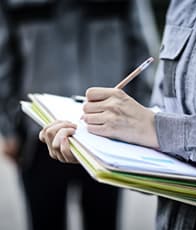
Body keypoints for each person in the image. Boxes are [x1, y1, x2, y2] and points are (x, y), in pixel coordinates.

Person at [39, 0, 196, 229]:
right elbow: (161, 116)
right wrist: (95, 150)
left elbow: (155, 125)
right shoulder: (183, 5)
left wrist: (155, 128)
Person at [0, 0, 155, 230]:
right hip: (39, 134)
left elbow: (141, 48)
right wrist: (8, 127)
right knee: (44, 221)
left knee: (103, 221)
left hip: (107, 137)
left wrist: (137, 123)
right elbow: (4, 56)